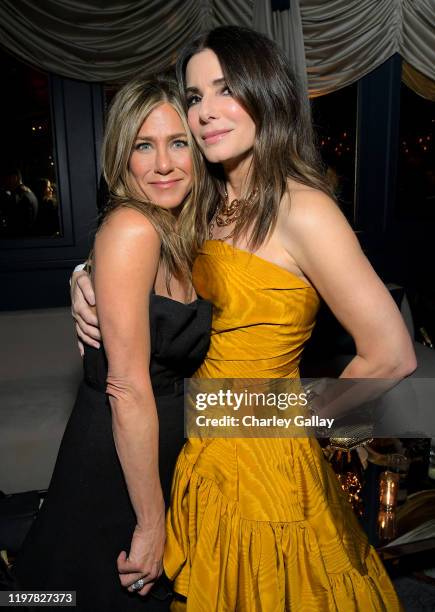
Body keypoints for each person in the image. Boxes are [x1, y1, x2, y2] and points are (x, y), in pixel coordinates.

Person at [72, 26, 416, 611]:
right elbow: (143, 256)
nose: (205, 111)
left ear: (266, 94)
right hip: (198, 451)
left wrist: (287, 418)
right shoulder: (206, 199)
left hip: (265, 462)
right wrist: (82, 277)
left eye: (225, 89)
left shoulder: (303, 208)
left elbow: (392, 353)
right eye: (194, 96)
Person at [13, 72, 212, 611]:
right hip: (115, 460)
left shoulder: (181, 230)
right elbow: (126, 386)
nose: (163, 164)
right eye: (143, 146)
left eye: (177, 144)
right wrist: (151, 523)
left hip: (158, 448)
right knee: (71, 591)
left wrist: (83, 274)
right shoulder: (134, 228)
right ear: (121, 157)